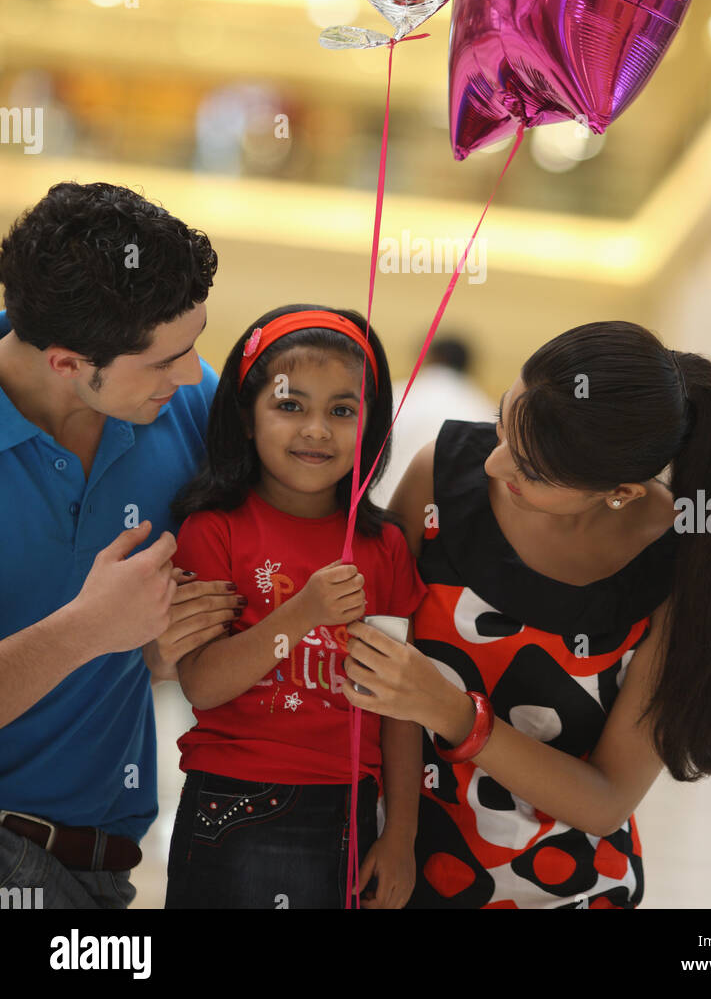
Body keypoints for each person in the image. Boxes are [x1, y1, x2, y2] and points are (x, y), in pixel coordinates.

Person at [342, 320, 711, 908]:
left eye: (532, 471)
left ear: (621, 491)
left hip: (562, 883)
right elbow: (374, 666)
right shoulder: (439, 472)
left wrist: (451, 712)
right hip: (394, 862)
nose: (493, 465)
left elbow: (607, 800)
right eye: (502, 419)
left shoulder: (678, 563)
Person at [0, 182, 243, 909]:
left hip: (101, 869)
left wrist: (166, 652)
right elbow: (101, 630)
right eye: (164, 359)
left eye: (194, 343)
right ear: (68, 363)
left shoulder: (189, 402)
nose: (191, 371)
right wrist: (88, 631)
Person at [164, 305, 428, 910]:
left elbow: (401, 706)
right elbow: (203, 685)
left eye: (342, 410)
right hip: (232, 800)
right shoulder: (214, 531)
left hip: (351, 804)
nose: (317, 429)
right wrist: (302, 613)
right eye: (290, 406)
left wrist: (402, 833)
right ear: (246, 418)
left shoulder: (382, 546)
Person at [373, 336, 495, 506]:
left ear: (430, 357)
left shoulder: (392, 397)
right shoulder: (484, 410)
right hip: (443, 522)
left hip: (377, 511)